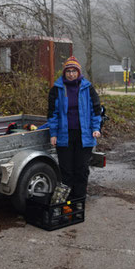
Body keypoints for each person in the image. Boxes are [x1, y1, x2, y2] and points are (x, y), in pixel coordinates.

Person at [47, 56, 102, 201]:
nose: (71, 74)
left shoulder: (87, 88)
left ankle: (79, 200)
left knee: (81, 169)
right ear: (64, 72)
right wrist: (53, 133)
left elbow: (96, 110)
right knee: (66, 170)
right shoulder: (57, 89)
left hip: (84, 136)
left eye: (74, 71)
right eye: (68, 71)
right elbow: (52, 113)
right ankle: (66, 200)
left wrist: (96, 128)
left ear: (79, 72)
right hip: (64, 135)